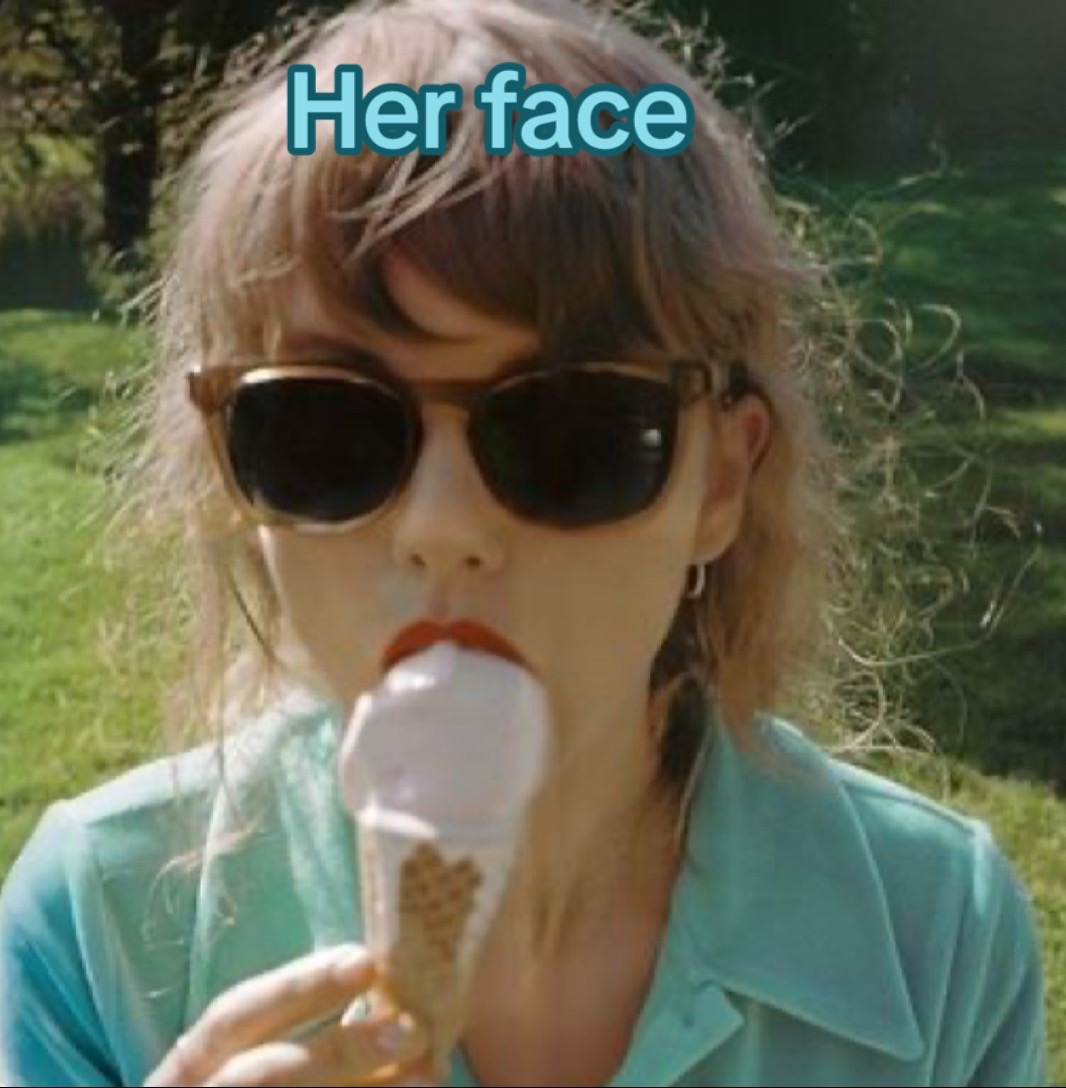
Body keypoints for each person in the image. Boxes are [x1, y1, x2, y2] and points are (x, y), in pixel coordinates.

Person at [0, 0, 1047, 1085]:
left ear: (721, 480)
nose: (442, 527)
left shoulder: (938, 938)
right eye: (322, 428)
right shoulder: (96, 931)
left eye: (572, 430)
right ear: (232, 470)